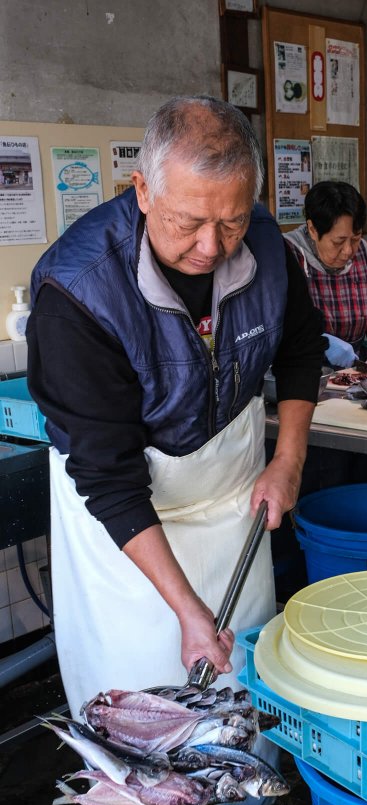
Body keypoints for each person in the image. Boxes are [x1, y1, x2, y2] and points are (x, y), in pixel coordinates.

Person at [27, 95, 325, 725]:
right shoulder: (77, 293)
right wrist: (188, 612)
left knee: (242, 699)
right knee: (149, 708)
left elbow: (300, 345)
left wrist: (288, 459)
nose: (211, 247)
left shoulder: (267, 245)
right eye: (189, 222)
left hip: (233, 496)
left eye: (234, 221)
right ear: (142, 189)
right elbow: (108, 478)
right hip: (128, 528)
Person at [284, 180, 367, 367]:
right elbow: (279, 325)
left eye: (355, 238)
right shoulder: (287, 255)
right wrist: (321, 343)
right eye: (338, 242)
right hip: (303, 370)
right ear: (313, 229)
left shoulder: (363, 251)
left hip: (353, 370)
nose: (348, 251)